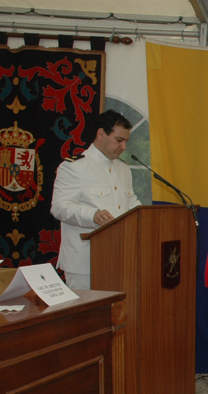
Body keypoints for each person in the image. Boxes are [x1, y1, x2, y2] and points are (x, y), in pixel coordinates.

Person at [51, 110, 141, 289]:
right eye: (119, 140)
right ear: (101, 134)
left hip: (119, 259)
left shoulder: (124, 169)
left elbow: (131, 204)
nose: (124, 147)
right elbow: (59, 207)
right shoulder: (74, 167)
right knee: (85, 315)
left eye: (126, 141)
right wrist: (92, 215)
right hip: (84, 262)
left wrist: (143, 214)